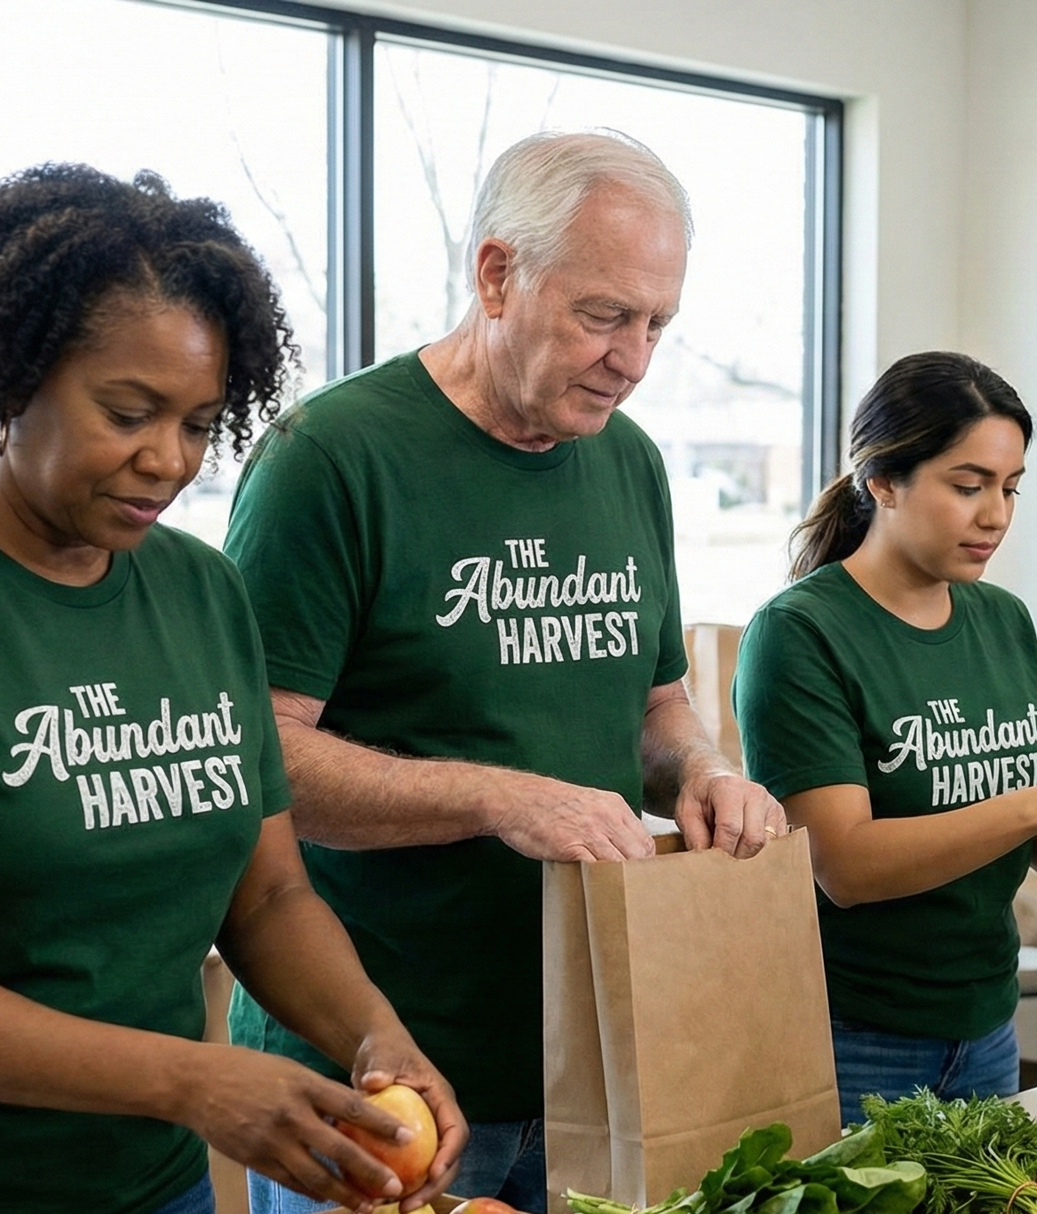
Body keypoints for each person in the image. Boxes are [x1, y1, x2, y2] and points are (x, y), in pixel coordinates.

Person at [0, 165, 465, 1214]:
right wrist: (194, 1079)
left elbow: (270, 893)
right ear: (13, 375)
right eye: (128, 411)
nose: (167, 460)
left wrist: (373, 1031)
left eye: (200, 423)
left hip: (137, 1183)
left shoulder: (201, 591)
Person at [223, 131, 786, 1214]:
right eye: (604, 314)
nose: (633, 358)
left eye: (658, 322)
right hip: (382, 1078)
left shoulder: (630, 459)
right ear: (496, 274)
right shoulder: (329, 457)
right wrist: (495, 795)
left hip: (597, 1064)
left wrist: (702, 771)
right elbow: (259, 760)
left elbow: (657, 704)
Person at [732, 353, 1037, 1121]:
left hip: (987, 1028)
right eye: (968, 485)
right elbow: (844, 865)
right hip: (852, 1040)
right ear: (883, 481)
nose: (996, 516)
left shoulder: (1002, 621)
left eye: (1010, 488)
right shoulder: (799, 633)